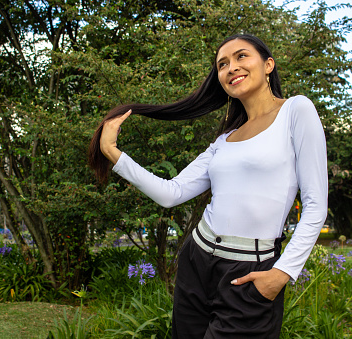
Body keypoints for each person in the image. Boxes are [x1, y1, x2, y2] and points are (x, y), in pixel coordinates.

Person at [88, 33, 328, 338]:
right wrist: (113, 154)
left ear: (268, 65)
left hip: (249, 272)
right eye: (222, 64)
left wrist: (281, 273)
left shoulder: (296, 111)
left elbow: (316, 205)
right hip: (197, 260)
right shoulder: (224, 140)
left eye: (241, 56)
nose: (231, 68)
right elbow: (171, 193)